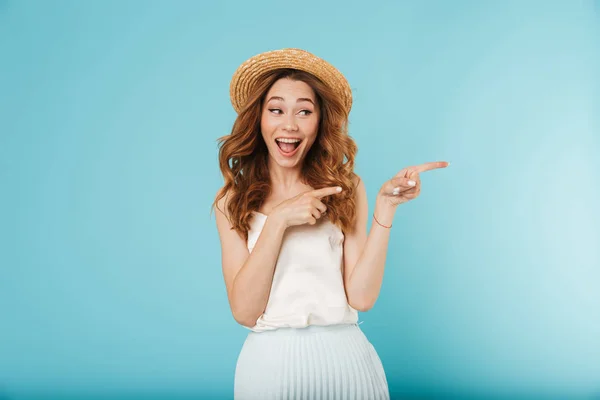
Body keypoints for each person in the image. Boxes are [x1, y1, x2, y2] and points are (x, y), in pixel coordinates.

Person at [213, 48, 449, 400]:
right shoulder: (232, 200)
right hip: (269, 371)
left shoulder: (347, 188)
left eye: (304, 111)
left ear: (320, 120)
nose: (289, 124)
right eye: (275, 110)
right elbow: (245, 312)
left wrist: (385, 208)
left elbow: (362, 297)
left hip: (348, 364)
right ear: (258, 118)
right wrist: (278, 221)